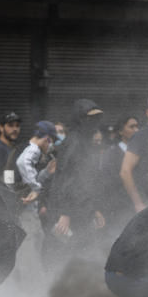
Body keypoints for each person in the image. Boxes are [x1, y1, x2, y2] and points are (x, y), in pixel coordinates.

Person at [44, 99, 106, 268]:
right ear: (79, 118)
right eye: (89, 118)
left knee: (85, 257)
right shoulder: (74, 141)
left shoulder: (85, 142)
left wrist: (93, 208)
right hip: (71, 214)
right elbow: (66, 177)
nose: (93, 122)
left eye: (96, 118)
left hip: (82, 211)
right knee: (67, 258)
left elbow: (86, 180)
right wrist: (64, 212)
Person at [11, 121, 57, 294]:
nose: (51, 146)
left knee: (31, 256)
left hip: (25, 213)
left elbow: (24, 177)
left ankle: (29, 295)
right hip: (25, 215)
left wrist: (44, 173)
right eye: (52, 141)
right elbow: (23, 163)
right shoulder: (33, 148)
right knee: (29, 260)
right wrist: (36, 189)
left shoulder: (24, 148)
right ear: (46, 138)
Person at [98, 115, 139, 236]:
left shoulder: (141, 153)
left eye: (137, 126)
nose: (136, 130)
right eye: (131, 127)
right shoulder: (111, 154)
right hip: (119, 212)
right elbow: (107, 184)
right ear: (121, 131)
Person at [0, 111, 22, 179]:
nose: (15, 129)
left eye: (17, 126)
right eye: (11, 125)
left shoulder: (14, 147)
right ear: (1, 127)